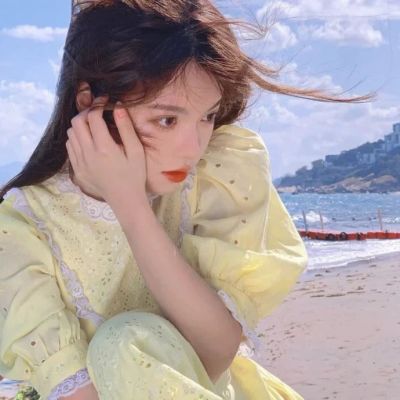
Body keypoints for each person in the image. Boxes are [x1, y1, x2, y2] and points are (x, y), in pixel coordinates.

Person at [0, 1, 370, 399]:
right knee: (123, 343)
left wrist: (130, 207)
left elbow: (216, 355)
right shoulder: (20, 227)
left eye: (207, 116)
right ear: (89, 102)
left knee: (125, 341)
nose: (192, 148)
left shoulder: (217, 173)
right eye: (167, 120)